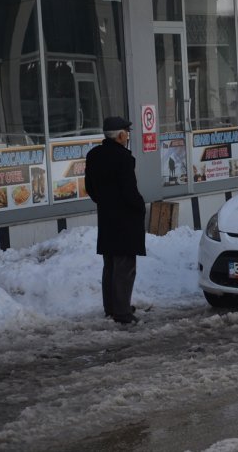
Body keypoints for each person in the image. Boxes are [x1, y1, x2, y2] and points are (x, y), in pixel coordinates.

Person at [85, 116, 146, 324]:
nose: (128, 136)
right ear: (120, 135)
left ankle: (111, 307)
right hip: (125, 219)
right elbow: (130, 191)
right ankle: (122, 312)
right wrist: (140, 205)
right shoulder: (123, 158)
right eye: (126, 132)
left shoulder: (93, 155)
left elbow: (90, 189)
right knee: (125, 266)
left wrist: (105, 202)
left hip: (107, 217)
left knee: (110, 264)